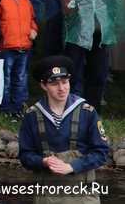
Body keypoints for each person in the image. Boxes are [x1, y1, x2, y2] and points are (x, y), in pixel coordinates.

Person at [19, 56, 109, 203]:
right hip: (46, 197)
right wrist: (43, 162)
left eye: (65, 82)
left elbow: (101, 153)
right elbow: (25, 156)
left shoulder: (88, 112)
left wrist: (71, 167)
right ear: (43, 85)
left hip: (83, 197)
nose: (61, 88)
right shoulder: (32, 115)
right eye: (55, 84)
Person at [56, 0, 124, 112]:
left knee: (97, 74)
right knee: (69, 72)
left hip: (100, 28)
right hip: (77, 27)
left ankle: (92, 115)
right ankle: (66, 112)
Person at [0, 0, 37, 120]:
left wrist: (34, 30)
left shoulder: (26, 2)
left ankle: (18, 108)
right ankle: (5, 108)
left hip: (24, 46)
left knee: (19, 79)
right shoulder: (0, 2)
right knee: (6, 80)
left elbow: (32, 20)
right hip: (6, 47)